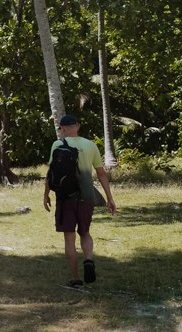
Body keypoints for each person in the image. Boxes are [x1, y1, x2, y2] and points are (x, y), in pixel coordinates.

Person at [43, 114, 116, 288]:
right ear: (77, 126)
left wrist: (46, 195)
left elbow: (51, 173)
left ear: (62, 129)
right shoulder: (90, 145)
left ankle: (76, 279)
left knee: (69, 238)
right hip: (86, 196)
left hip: (65, 197)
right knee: (85, 232)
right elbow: (101, 174)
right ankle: (88, 259)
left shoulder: (57, 145)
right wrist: (109, 198)